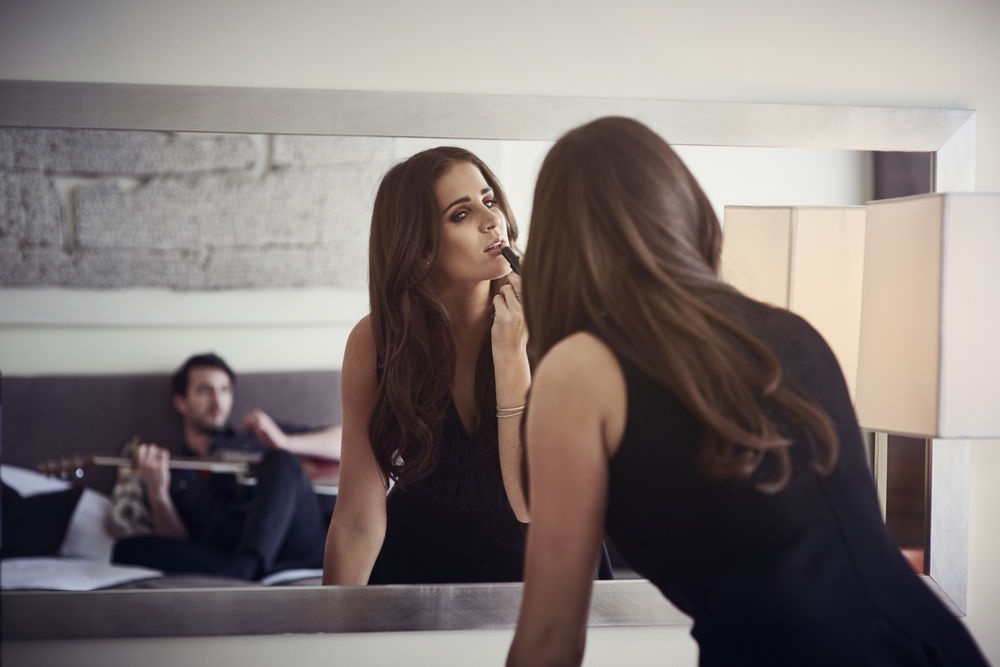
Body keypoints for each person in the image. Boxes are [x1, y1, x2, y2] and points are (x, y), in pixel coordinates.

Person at [506, 117, 988, 666]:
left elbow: (550, 639)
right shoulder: (792, 332)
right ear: (683, 212)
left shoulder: (578, 368)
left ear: (557, 246)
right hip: (935, 645)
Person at [322, 146, 532, 585]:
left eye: (489, 200)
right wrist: (334, 620)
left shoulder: (548, 322)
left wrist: (513, 353)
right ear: (420, 250)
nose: (491, 220)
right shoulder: (377, 341)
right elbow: (357, 519)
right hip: (418, 577)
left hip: (543, 569)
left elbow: (536, 500)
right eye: (461, 214)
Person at [111, 353, 341, 580]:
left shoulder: (257, 437)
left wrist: (284, 442)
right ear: (181, 401)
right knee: (126, 549)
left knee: (281, 460)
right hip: (227, 549)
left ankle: (246, 567)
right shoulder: (171, 468)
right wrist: (158, 494)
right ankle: (242, 567)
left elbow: (346, 441)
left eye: (224, 390)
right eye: (205, 390)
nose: (217, 401)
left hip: (294, 540)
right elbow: (178, 540)